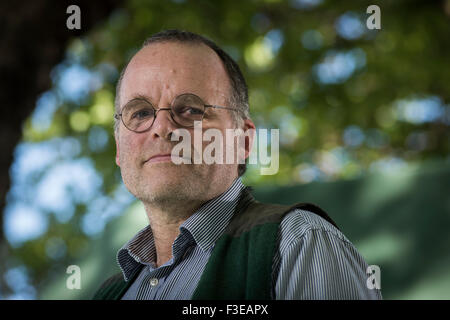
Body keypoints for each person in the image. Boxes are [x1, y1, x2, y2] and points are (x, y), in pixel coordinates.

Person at [93, 29, 382, 300]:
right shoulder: (110, 293)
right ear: (119, 148)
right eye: (141, 113)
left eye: (192, 110)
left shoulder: (298, 245)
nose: (162, 127)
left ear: (243, 142)